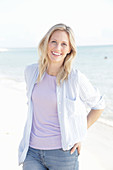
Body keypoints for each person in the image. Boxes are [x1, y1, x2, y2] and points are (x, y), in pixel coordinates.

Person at [18, 23, 105, 170]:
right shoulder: (31, 72)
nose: (57, 48)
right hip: (31, 152)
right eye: (54, 42)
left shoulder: (75, 78)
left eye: (64, 44)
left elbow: (99, 105)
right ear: (46, 43)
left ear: (70, 49)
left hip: (63, 154)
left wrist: (79, 134)